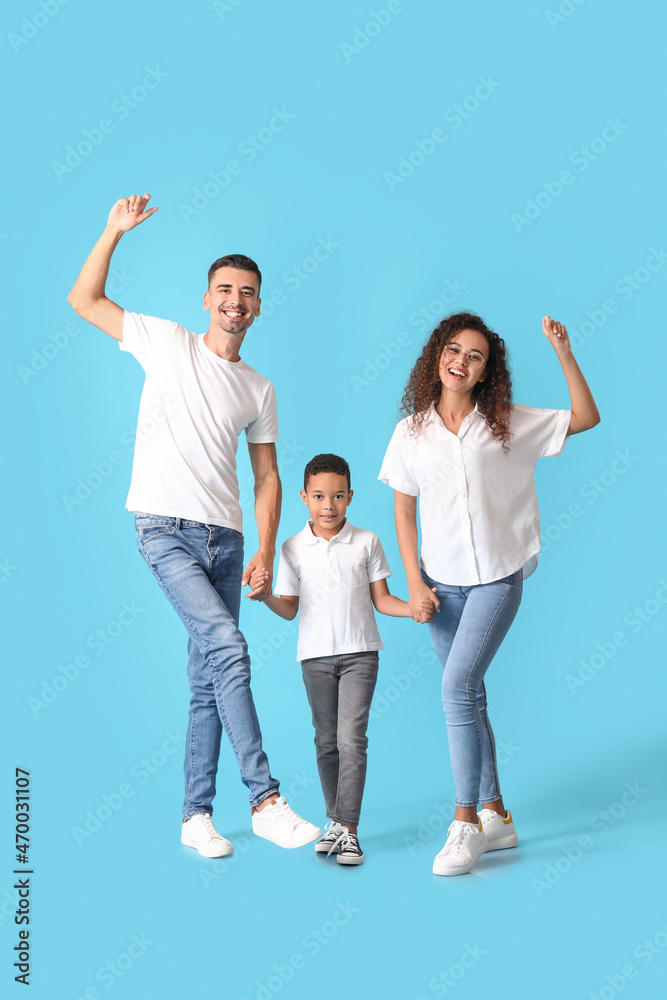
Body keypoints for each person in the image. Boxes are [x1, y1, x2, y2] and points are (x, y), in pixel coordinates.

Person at [67, 193, 321, 858]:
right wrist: (113, 230)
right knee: (230, 650)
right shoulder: (166, 341)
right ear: (206, 299)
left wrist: (266, 548)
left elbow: (266, 477)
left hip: (228, 541)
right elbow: (85, 301)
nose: (235, 300)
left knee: (209, 671)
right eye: (225, 290)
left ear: (259, 306)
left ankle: (194, 816)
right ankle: (264, 799)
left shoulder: (259, 388)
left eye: (248, 293)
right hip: (164, 530)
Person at [378, 311, 600, 876]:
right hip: (440, 584)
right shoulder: (410, 432)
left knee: (457, 687)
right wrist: (415, 582)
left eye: (475, 356)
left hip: (497, 577)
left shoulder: (506, 422)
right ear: (436, 357)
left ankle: (464, 823)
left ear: (485, 372)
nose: (461, 361)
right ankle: (497, 814)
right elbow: (404, 509)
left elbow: (586, 417)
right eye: (454, 350)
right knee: (469, 695)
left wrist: (564, 353)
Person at [249, 454, 432, 865]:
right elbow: (290, 608)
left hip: (360, 655)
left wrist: (415, 608)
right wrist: (264, 598)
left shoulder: (366, 542)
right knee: (326, 743)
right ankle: (334, 823)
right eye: (318, 496)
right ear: (303, 497)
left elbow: (382, 601)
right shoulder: (292, 547)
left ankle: (348, 829)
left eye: (336, 496)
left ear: (350, 497)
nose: (327, 505)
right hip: (313, 659)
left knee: (352, 740)